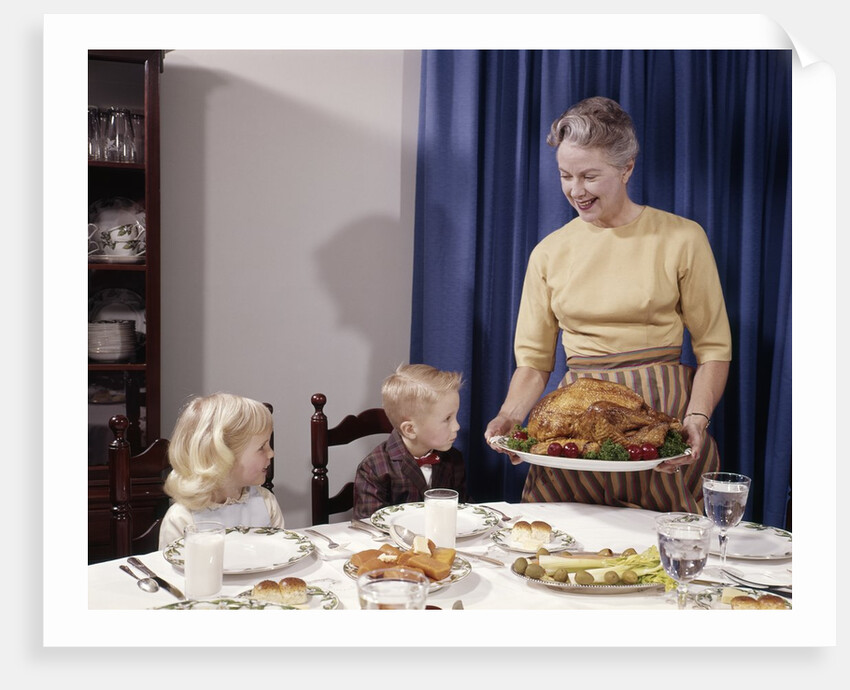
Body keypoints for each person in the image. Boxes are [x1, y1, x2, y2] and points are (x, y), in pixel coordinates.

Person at [484, 96, 732, 514]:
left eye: (589, 176)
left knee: (662, 546)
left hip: (658, 418)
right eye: (565, 175)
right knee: (564, 542)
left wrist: (696, 420)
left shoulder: (683, 238)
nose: (575, 190)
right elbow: (534, 362)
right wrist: (509, 417)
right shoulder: (548, 253)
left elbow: (714, 349)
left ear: (626, 168)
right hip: (575, 425)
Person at [158, 392, 284, 548]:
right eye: (261, 447)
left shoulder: (266, 502)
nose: (271, 453)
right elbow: (172, 564)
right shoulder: (182, 519)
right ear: (222, 456)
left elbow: (282, 554)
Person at [353, 364, 467, 518]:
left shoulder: (454, 459)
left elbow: (463, 510)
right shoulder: (373, 469)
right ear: (410, 429)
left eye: (455, 416)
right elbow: (368, 524)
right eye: (447, 419)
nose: (457, 426)